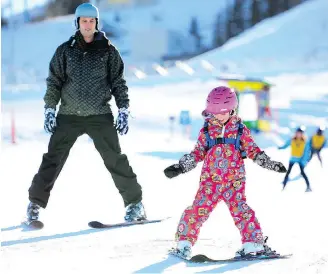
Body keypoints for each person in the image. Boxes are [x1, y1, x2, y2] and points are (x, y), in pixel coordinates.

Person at [26, 3, 146, 224]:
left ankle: (135, 204)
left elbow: (118, 83)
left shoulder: (109, 51)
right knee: (52, 160)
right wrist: (50, 108)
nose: (88, 25)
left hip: (99, 114)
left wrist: (123, 108)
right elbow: (54, 82)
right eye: (84, 21)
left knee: (115, 159)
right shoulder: (64, 51)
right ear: (77, 23)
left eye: (92, 21)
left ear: (97, 23)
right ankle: (34, 205)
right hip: (68, 115)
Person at [163, 86, 287, 259]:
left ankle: (253, 245)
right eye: (215, 112)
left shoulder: (240, 130)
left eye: (223, 112)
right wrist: (181, 167)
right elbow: (197, 153)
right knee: (196, 211)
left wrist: (270, 163)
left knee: (242, 212)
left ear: (232, 109)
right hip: (210, 182)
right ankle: (183, 244)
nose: (219, 116)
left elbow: (253, 150)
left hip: (234, 182)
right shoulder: (206, 131)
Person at [278, 126, 311, 192]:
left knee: (303, 173)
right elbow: (286, 145)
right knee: (288, 172)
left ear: (302, 134)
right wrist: (281, 147)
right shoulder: (292, 140)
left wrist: (304, 160)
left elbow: (307, 152)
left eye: (300, 133)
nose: (298, 134)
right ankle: (284, 186)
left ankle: (308, 186)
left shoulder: (305, 142)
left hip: (300, 160)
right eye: (297, 133)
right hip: (292, 159)